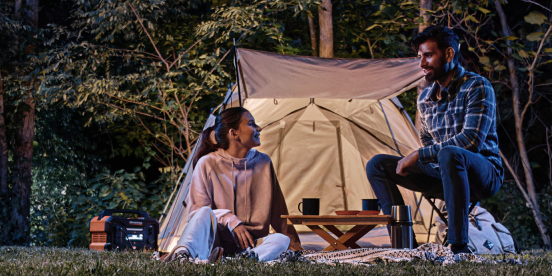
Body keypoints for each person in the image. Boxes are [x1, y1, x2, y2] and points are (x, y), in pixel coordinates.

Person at [365, 25, 503, 254]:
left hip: (484, 174)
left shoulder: (477, 86)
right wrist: (419, 166)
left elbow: (471, 141)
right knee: (377, 164)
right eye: (420, 57)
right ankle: (405, 246)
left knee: (450, 153)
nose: (422, 64)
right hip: (443, 173)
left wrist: (419, 155)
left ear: (449, 54)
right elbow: (430, 145)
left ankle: (458, 247)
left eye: (428, 55)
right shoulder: (426, 100)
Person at [163, 107, 302, 263]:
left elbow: (278, 212)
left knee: (281, 240)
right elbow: (198, 215)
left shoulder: (263, 162)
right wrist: (230, 219)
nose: (259, 128)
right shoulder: (207, 164)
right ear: (234, 133)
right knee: (203, 212)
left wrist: (295, 246)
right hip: (212, 244)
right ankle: (182, 255)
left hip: (250, 246)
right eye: (251, 123)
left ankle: (232, 262)